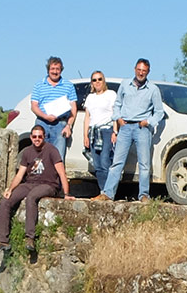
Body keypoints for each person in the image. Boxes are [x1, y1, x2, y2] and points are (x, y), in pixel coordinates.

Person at [0, 124, 69, 262]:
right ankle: (2, 241)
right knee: (6, 201)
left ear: (44, 137)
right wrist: (10, 189)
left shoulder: (52, 150)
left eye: (40, 136)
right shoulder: (27, 152)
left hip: (48, 185)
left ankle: (30, 238)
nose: (37, 139)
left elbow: (61, 172)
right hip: (29, 183)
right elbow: (19, 175)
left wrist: (66, 193)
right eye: (34, 136)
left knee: (31, 197)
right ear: (30, 137)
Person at [101, 58, 164, 201]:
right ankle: (108, 193)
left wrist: (148, 122)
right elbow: (117, 104)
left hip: (142, 128)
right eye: (139, 70)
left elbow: (159, 112)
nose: (141, 73)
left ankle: (144, 195)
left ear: (148, 72)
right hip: (125, 127)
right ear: (135, 69)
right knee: (117, 162)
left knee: (144, 164)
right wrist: (118, 118)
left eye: (144, 71)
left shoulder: (153, 89)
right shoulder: (125, 84)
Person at [29, 56, 76, 157]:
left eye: (57, 69)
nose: (55, 72)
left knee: (58, 157)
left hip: (61, 124)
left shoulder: (68, 85)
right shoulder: (39, 85)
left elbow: (73, 108)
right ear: (48, 70)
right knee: (39, 156)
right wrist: (46, 117)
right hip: (42, 123)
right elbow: (34, 106)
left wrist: (69, 126)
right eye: (52, 69)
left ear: (61, 70)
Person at [80, 70, 116, 199]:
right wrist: (85, 135)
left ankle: (109, 191)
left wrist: (115, 132)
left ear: (103, 80)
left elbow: (115, 114)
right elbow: (87, 117)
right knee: (97, 163)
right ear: (92, 83)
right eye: (94, 80)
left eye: (99, 79)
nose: (97, 82)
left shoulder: (111, 94)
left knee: (106, 161)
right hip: (94, 133)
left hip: (107, 130)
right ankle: (102, 191)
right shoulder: (90, 97)